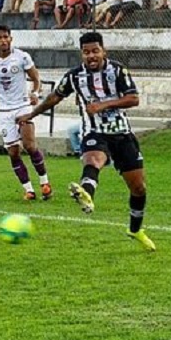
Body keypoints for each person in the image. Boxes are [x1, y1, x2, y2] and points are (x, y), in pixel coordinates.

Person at [16, 31, 154, 251]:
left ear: (103, 51)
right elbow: (55, 97)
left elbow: (133, 99)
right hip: (94, 131)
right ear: (82, 54)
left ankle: (135, 229)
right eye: (86, 52)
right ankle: (86, 193)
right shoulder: (74, 76)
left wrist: (103, 105)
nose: (91, 56)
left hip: (122, 134)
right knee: (94, 159)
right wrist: (31, 115)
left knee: (138, 188)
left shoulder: (117, 70)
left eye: (95, 51)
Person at [0, 25, 52, 201]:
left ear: (11, 38)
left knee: (29, 145)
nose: (3, 40)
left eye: (6, 37)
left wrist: (35, 93)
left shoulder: (22, 57)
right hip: (4, 111)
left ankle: (45, 183)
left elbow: (36, 79)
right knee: (13, 152)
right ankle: (29, 189)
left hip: (23, 107)